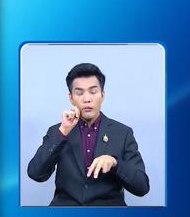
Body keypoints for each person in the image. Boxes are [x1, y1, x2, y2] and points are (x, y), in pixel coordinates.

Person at [27, 62, 150, 206]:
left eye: (93, 92)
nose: (87, 99)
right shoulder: (58, 131)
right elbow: (35, 174)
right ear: (71, 97)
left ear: (102, 95)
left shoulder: (122, 133)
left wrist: (115, 162)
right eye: (79, 93)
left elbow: (142, 187)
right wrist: (63, 132)